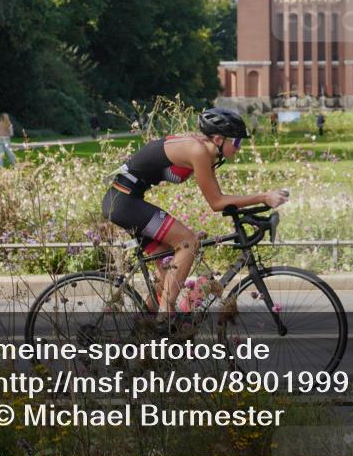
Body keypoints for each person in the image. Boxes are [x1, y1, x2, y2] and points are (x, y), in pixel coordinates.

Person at [101, 108, 289, 317]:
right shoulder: (197, 151)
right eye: (236, 142)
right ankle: (167, 314)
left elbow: (220, 197)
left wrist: (255, 205)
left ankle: (146, 328)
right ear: (218, 139)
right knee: (188, 242)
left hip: (124, 201)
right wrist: (263, 197)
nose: (239, 147)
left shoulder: (204, 150)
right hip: (124, 202)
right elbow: (216, 202)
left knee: (168, 271)